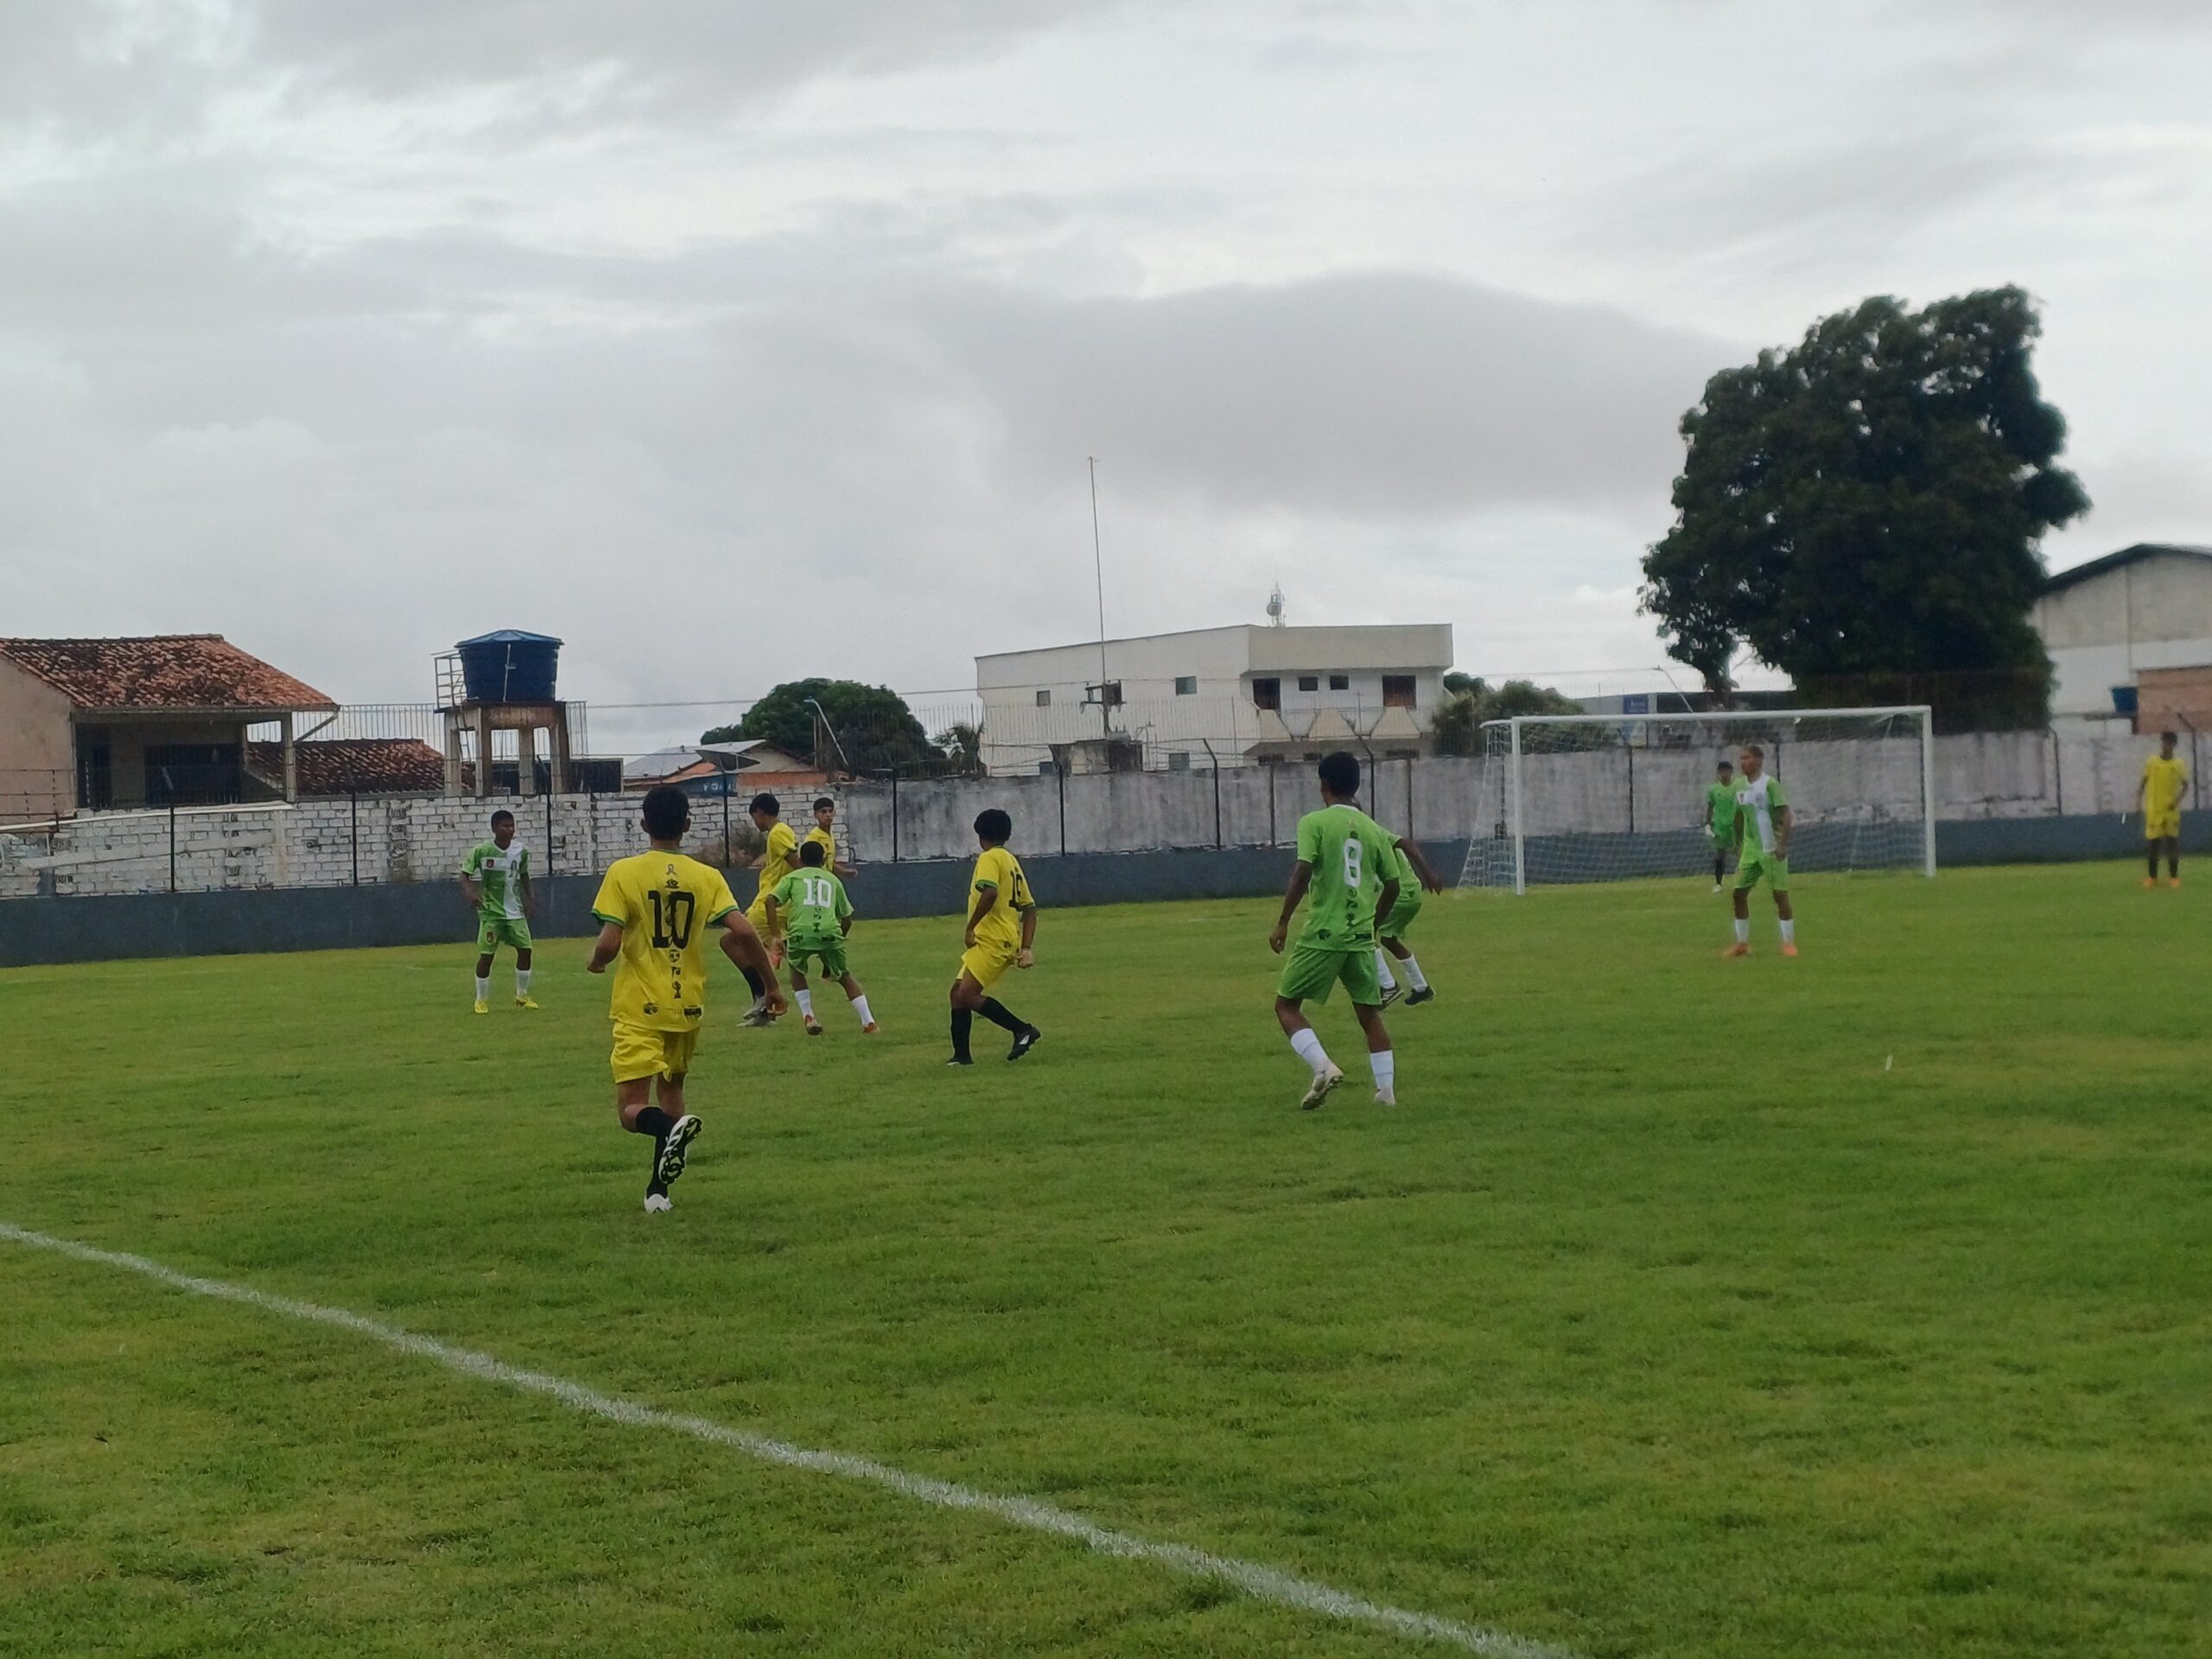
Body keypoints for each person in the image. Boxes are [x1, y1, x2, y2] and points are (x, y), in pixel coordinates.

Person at [588, 785, 781, 1212]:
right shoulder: (707, 877)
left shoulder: (624, 872)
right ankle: (659, 1193)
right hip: (687, 1004)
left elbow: (610, 940)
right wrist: (771, 985)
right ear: (688, 826)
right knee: (672, 1089)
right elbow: (745, 932)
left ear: (643, 825)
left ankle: (669, 1135)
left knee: (631, 1110)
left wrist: (597, 963)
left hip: (641, 1005)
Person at [1269, 751, 1402, 1108]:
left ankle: (1322, 1066)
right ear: (1356, 785)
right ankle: (1386, 1092)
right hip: (1360, 938)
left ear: (1323, 784)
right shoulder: (1373, 829)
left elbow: (1302, 870)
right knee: (1367, 1013)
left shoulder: (1314, 823)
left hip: (1324, 935)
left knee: (1286, 1006)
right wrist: (1374, 924)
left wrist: (1283, 921)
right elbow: (1393, 885)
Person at [947, 808, 1040, 1065]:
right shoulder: (1010, 861)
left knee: (966, 995)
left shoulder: (989, 859)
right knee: (957, 993)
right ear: (1008, 834)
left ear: (979, 835)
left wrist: (970, 926)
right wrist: (1027, 947)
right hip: (1001, 938)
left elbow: (989, 893)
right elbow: (1030, 908)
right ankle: (962, 1056)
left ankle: (1022, 1030)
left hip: (992, 939)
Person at [767, 840, 877, 1035]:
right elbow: (847, 918)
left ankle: (809, 1015)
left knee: (797, 971)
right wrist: (839, 938)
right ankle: (868, 1022)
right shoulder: (833, 880)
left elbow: (770, 900)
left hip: (801, 933)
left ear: (800, 859)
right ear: (824, 859)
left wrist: (776, 935)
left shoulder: (793, 877)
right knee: (844, 976)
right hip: (829, 933)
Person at [461, 808, 535, 1014]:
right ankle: (481, 1000)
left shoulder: (521, 851)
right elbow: (464, 875)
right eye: (505, 826)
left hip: (515, 912)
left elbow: (525, 876)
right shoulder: (482, 851)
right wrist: (471, 893)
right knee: (487, 956)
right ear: (494, 828)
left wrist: (531, 899)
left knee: (526, 950)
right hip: (491, 911)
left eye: (512, 826)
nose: (510, 830)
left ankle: (522, 996)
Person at [1725, 744, 1796, 957]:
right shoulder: (1738, 785)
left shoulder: (1769, 785)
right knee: (1738, 894)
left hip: (1771, 849)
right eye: (1740, 759)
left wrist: (1782, 845)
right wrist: (1738, 844)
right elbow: (1739, 817)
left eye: (1746, 758)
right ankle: (1742, 944)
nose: (1742, 763)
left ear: (1759, 760)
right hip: (1750, 850)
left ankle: (1788, 944)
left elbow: (1786, 815)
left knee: (1779, 895)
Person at [741, 792, 800, 1025]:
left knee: (732, 939)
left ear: (760, 813)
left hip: (771, 903)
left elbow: (796, 865)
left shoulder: (778, 833)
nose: (755, 823)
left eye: (754, 817)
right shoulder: (779, 834)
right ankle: (766, 1009)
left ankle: (762, 995)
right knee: (754, 952)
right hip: (767, 900)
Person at [1372, 834, 1446, 1007]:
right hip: (1411, 892)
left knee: (1364, 933)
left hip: (1401, 894)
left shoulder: (1372, 831)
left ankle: (1388, 986)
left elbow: (1405, 843)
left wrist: (1429, 873)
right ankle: (1421, 988)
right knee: (1389, 940)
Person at [2133, 730, 2188, 889]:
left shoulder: (2178, 764)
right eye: (2165, 742)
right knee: (2153, 844)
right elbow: (2143, 783)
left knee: (2172, 843)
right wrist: (2138, 802)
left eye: (2170, 743)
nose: (2167, 746)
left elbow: (2186, 786)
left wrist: (2176, 801)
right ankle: (2152, 877)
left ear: (2174, 745)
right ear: (2161, 743)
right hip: (2154, 810)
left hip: (2171, 810)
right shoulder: (2152, 762)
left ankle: (2174, 878)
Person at [1704, 759, 1738, 893]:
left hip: (1735, 825)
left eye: (1727, 771)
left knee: (1740, 854)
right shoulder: (1714, 789)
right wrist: (1708, 824)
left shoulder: (1737, 788)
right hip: (1720, 826)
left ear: (1731, 772)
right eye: (1722, 771)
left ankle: (1741, 881)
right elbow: (1710, 806)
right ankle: (1718, 884)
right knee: (1720, 856)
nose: (1724, 774)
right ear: (1718, 773)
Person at [803, 796, 857, 878]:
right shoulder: (813, 838)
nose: (828, 815)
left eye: (830, 811)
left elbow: (829, 864)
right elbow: (806, 866)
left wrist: (845, 872)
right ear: (815, 815)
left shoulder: (830, 835)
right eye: (823, 812)